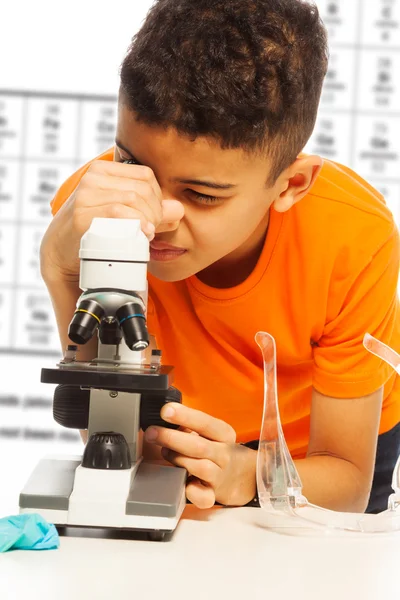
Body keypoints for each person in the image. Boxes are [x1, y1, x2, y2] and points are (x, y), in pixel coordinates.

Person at [41, 0, 400, 514]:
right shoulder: (94, 210)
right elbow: (115, 435)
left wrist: (252, 474)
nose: (157, 215)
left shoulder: (353, 236)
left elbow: (347, 483)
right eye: (130, 163)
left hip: (323, 456)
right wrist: (60, 269)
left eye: (203, 195)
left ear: (290, 185)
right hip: (192, 438)